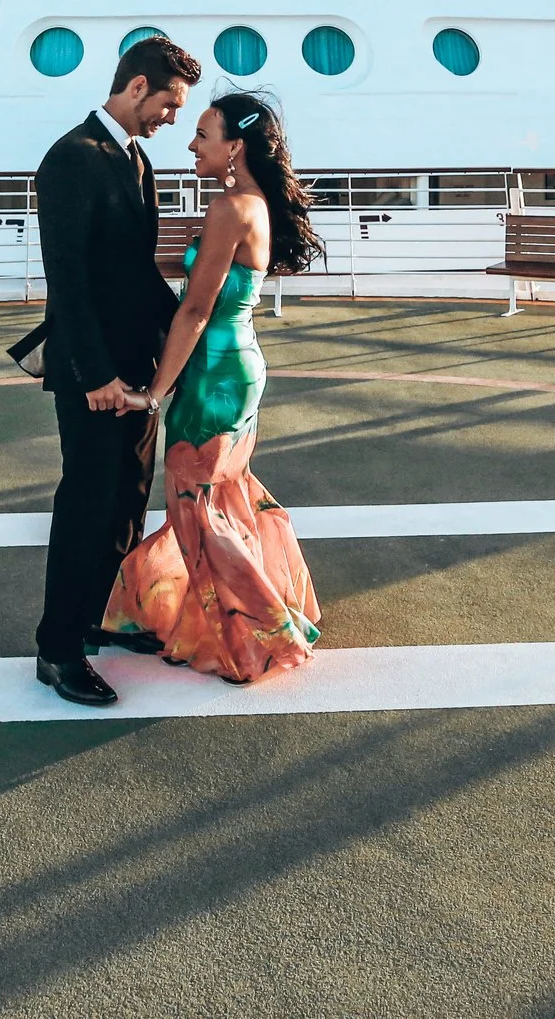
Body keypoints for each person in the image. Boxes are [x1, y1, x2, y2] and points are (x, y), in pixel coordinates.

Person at [103, 91, 326, 684]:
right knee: (223, 498)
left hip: (214, 375)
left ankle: (256, 634)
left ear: (236, 146)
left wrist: (153, 393)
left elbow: (196, 310)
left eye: (203, 133)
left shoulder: (231, 207)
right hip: (238, 367)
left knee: (195, 508)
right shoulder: (254, 204)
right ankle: (248, 619)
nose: (191, 143)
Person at [29, 33, 203, 707]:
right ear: (137, 88)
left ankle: (97, 616)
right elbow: (66, 280)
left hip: (138, 374)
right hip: (94, 378)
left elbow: (131, 275)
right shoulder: (71, 158)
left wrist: (188, 336)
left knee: (128, 501)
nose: (172, 119)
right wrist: (96, 373)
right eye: (168, 104)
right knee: (87, 505)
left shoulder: (135, 159)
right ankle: (57, 649)